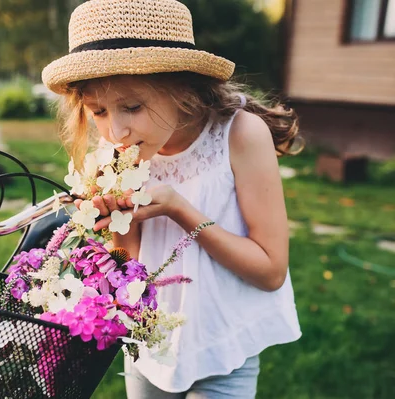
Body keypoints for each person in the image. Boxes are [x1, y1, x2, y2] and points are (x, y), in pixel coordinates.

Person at [41, 0, 303, 397]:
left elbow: (270, 272)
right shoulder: (119, 153)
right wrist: (114, 219)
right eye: (98, 111)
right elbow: (129, 266)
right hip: (150, 342)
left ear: (183, 89)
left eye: (132, 107)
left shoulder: (239, 136)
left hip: (223, 345)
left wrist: (181, 210)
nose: (115, 132)